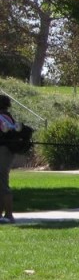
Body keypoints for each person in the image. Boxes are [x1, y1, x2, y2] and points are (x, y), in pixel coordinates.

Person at [0, 91, 21, 224]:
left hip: (2, 151)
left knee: (2, 183)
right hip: (7, 152)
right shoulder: (8, 117)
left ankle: (8, 215)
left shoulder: (2, 118)